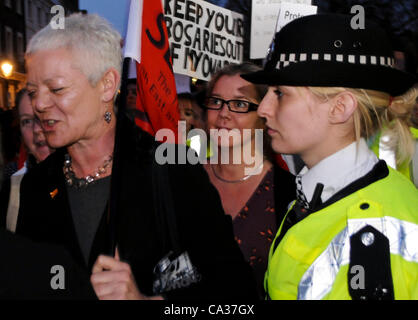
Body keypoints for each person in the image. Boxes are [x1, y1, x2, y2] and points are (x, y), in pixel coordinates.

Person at [16, 13, 257, 300]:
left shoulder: (172, 169)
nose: (40, 104)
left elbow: (238, 294)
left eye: (56, 89)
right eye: (32, 92)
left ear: (107, 85)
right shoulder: (37, 185)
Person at [242, 13, 418, 299]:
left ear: (340, 107)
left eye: (280, 93)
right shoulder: (324, 193)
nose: (262, 109)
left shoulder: (371, 229)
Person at [202, 63, 295, 298]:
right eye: (215, 101)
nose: (224, 113)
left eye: (240, 104)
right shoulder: (181, 180)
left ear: (263, 115)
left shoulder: (288, 193)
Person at [0, 89, 55, 231]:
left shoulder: (87, 183)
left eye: (44, 116)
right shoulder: (12, 189)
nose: (37, 129)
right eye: (27, 121)